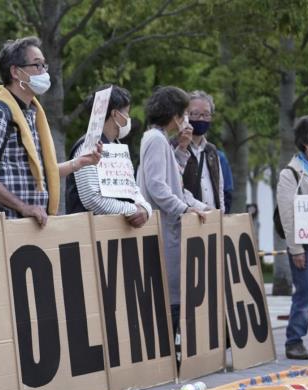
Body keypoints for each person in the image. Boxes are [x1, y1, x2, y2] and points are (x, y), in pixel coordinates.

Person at [0, 36, 100, 225]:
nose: (44, 73)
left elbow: (36, 173)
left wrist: (77, 163)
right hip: (6, 225)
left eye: (44, 66)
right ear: (16, 71)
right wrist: (23, 206)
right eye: (37, 65)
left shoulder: (31, 112)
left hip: (31, 226)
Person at [135, 86, 209, 342]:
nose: (186, 119)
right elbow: (158, 185)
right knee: (171, 296)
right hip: (165, 229)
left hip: (169, 227)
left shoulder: (159, 139)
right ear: (174, 113)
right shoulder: (155, 139)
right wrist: (185, 208)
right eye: (184, 113)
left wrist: (181, 148)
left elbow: (171, 179)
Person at [276, 115, 308, 360]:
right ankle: (294, 341)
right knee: (306, 293)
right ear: (306, 139)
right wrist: (295, 248)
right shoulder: (291, 173)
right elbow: (287, 215)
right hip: (306, 243)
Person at [65, 85, 151, 226]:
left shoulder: (117, 147)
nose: (129, 118)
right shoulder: (87, 148)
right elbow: (91, 199)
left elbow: (132, 189)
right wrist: (132, 210)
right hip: (88, 234)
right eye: (127, 113)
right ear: (115, 114)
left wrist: (145, 208)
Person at [171, 90, 225, 212]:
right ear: (185, 115)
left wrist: (220, 214)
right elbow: (173, 186)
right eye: (195, 114)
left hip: (211, 221)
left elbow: (219, 188)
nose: (201, 119)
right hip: (187, 219)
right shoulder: (173, 146)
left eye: (206, 114)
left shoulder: (211, 150)